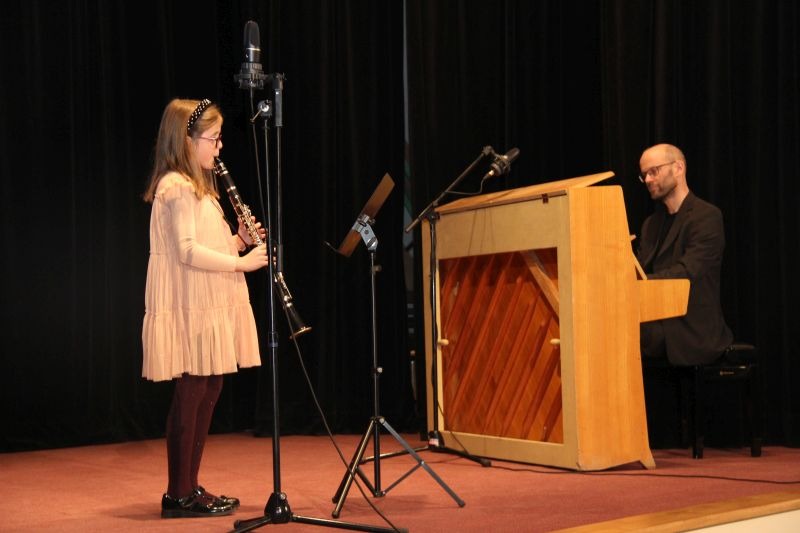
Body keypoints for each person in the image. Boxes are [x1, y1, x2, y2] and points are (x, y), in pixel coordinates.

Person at [142, 98, 269, 518]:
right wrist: (242, 263)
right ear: (187, 141)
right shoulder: (176, 186)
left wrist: (238, 241)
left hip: (204, 299)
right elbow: (187, 251)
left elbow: (208, 245)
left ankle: (190, 486)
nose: (219, 147)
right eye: (213, 139)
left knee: (209, 387)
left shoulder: (198, 187)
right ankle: (178, 494)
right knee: (193, 389)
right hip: (189, 303)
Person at [636, 143, 733, 366]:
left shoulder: (706, 216)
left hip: (691, 332)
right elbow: (640, 268)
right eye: (644, 175)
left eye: (653, 171)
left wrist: (640, 283)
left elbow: (688, 272)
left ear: (678, 168)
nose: (648, 180)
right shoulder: (651, 224)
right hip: (655, 332)